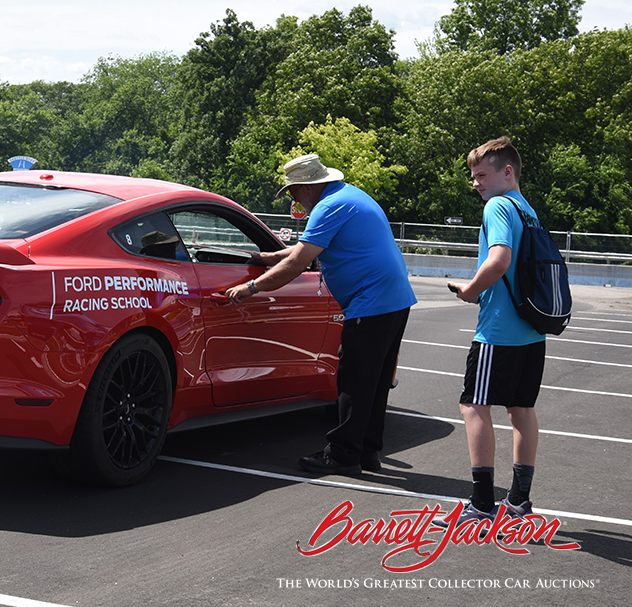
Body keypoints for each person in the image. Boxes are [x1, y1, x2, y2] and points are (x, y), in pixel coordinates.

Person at [226, 154, 416, 476]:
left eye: (293, 192)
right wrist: (269, 256)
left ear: (307, 187)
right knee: (375, 380)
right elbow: (307, 247)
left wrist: (252, 287)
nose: (294, 199)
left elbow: (299, 261)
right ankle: (367, 452)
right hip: (393, 300)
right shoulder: (347, 196)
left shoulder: (329, 206)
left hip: (371, 302)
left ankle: (342, 454)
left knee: (354, 379)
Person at [442, 136, 545, 524]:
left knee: (473, 406)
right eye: (473, 176)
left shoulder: (499, 205)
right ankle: (518, 500)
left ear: (507, 172)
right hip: (532, 330)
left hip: (498, 331)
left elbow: (499, 259)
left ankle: (482, 503)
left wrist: (469, 291)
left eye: (482, 174)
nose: (476, 183)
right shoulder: (527, 209)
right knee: (522, 410)